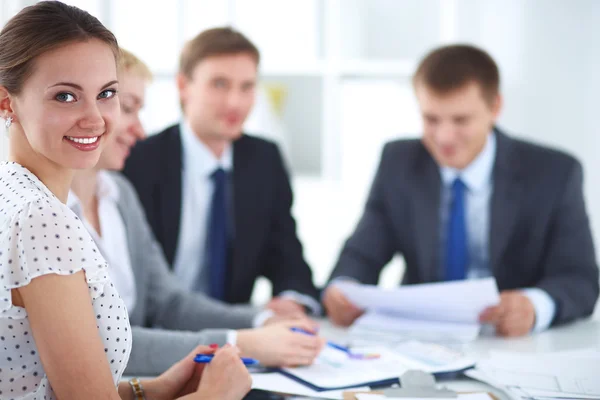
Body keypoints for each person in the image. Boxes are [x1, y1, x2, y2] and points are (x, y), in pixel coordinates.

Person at [0, 2, 251, 399]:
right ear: (6, 102)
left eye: (106, 93)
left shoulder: (16, 194)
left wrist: (148, 389)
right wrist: (214, 395)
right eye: (65, 96)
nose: (95, 118)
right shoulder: (41, 219)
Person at [69, 48, 325, 375]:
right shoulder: (56, 208)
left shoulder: (119, 194)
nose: (139, 129)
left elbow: (169, 302)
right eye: (125, 107)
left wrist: (262, 320)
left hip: (149, 376)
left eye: (246, 87)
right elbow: (98, 345)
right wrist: (241, 343)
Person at [323, 44, 599, 337]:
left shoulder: (553, 173)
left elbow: (579, 278)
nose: (443, 137)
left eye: (460, 120)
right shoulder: (398, 161)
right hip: (421, 339)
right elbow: (363, 252)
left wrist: (534, 307)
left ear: (495, 108)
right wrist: (343, 288)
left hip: (513, 343)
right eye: (431, 119)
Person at [122, 27, 320, 316]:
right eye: (219, 84)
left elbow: (287, 256)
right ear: (183, 86)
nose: (235, 103)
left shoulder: (265, 160)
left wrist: (293, 300)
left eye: (247, 87)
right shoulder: (138, 159)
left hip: (233, 331)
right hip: (153, 331)